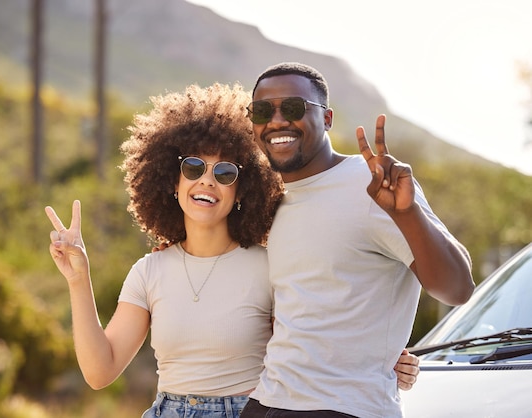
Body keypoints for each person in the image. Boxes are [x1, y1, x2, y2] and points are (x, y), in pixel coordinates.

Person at [45, 83, 419, 418]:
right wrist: (79, 280)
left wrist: (383, 359)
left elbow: (320, 340)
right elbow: (100, 371)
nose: (207, 179)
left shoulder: (269, 265)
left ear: (242, 191)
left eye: (225, 173)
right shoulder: (149, 271)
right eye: (193, 167)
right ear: (172, 181)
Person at [240, 62, 475, 418]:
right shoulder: (274, 200)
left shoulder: (370, 184)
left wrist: (407, 214)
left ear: (328, 118)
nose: (276, 121)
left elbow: (457, 289)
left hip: (342, 408)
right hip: (267, 402)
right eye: (261, 110)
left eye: (292, 108)